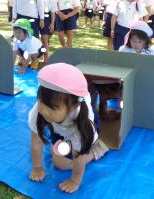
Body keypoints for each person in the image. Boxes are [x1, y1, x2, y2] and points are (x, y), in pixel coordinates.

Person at [28, 63, 108, 193]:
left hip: (78, 128)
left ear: (72, 108)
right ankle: (67, 144)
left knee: (60, 163)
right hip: (59, 125)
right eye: (41, 102)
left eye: (52, 108)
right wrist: (37, 167)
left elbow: (78, 156)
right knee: (57, 152)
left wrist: (75, 180)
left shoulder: (82, 124)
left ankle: (97, 151)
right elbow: (36, 141)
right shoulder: (40, 110)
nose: (44, 111)